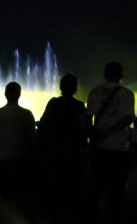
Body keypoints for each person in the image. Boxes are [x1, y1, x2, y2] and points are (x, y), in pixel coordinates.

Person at [86, 61, 135, 222]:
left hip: (98, 147)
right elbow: (128, 119)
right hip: (118, 148)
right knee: (117, 188)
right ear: (120, 76)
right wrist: (110, 132)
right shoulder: (127, 94)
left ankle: (95, 217)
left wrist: (94, 134)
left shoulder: (95, 92)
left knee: (96, 187)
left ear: (105, 75)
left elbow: (88, 118)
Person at [37, 73, 87, 223]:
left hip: (54, 151)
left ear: (61, 87)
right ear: (75, 88)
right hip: (72, 152)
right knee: (71, 186)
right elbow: (83, 130)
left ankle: (54, 214)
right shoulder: (79, 106)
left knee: (55, 184)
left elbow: (44, 124)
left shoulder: (53, 103)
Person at [0, 81, 36, 204]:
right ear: (19, 94)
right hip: (19, 161)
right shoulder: (26, 114)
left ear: (5, 94)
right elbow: (32, 138)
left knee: (0, 200)